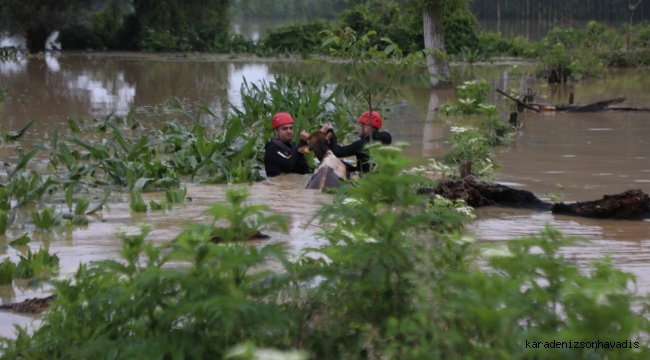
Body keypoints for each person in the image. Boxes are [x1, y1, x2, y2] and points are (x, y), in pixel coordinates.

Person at [326, 110, 392, 173]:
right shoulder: (382, 141)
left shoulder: (362, 144)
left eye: (360, 125)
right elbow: (388, 137)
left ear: (367, 128)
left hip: (365, 180)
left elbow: (337, 152)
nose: (358, 128)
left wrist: (331, 132)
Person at [263, 112, 312, 177]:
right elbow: (290, 164)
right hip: (279, 186)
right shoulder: (272, 149)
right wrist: (302, 142)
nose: (289, 131)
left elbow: (307, 171)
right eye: (285, 128)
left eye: (291, 128)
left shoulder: (293, 148)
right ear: (276, 131)